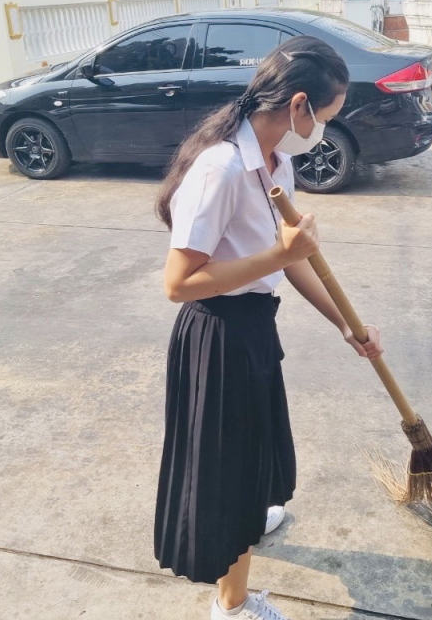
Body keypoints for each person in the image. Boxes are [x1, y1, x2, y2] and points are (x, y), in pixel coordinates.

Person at [154, 36, 384, 620]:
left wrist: (345, 324)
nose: (324, 131)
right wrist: (280, 255)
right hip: (218, 335)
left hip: (253, 326)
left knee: (252, 451)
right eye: (326, 117)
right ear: (299, 104)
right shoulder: (221, 169)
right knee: (228, 470)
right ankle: (231, 606)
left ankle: (251, 515)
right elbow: (179, 283)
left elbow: (291, 259)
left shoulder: (276, 161)